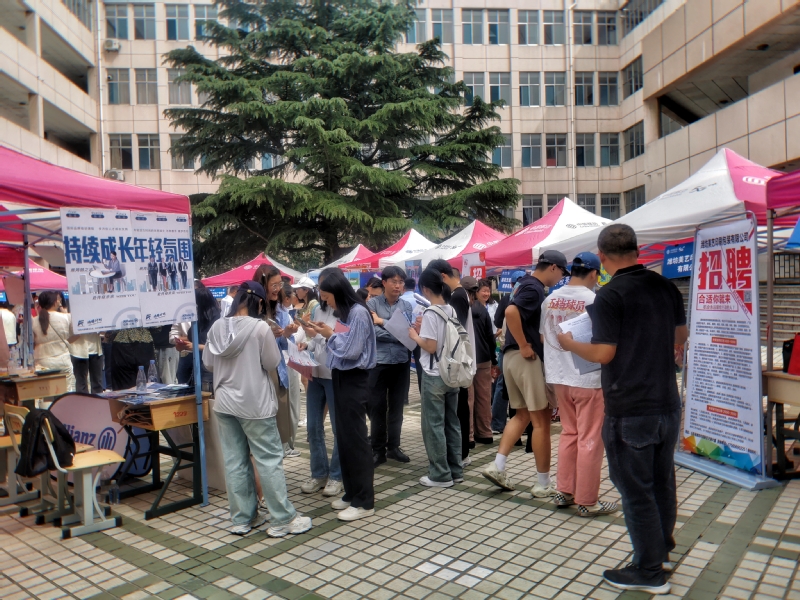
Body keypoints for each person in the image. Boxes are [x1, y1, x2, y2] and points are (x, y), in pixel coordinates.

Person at [557, 225, 687, 595]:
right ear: (637, 249)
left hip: (630, 405)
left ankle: (648, 570)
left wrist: (569, 343)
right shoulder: (665, 286)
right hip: (667, 402)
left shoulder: (610, 295)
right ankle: (660, 550)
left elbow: (603, 353)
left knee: (635, 489)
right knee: (661, 481)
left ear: (602, 257)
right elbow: (680, 336)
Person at [203, 280, 312, 537]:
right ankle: (282, 518)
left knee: (235, 461)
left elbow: (208, 362)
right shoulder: (260, 328)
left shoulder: (217, 326)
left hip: (225, 402)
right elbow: (272, 362)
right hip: (255, 403)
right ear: (259, 302)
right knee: (269, 460)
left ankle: (243, 518)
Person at [482, 250, 568, 497]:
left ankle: (497, 465)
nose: (561, 278)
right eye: (561, 272)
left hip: (510, 358)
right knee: (541, 421)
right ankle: (543, 483)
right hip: (525, 358)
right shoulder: (535, 288)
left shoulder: (522, 284)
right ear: (553, 267)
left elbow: (507, 314)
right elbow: (511, 313)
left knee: (521, 416)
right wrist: (524, 344)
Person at [540, 252, 617, 517]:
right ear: (594, 274)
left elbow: (544, 337)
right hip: (588, 378)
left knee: (569, 433)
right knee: (590, 438)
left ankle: (564, 491)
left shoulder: (550, 300)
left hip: (559, 376)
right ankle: (587, 500)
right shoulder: (596, 300)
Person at [307, 268, 377, 522]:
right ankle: (351, 492)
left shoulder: (358, 312)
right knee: (345, 438)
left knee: (356, 439)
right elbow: (342, 342)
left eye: (327, 297)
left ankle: (364, 501)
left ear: (338, 292)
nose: (327, 302)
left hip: (354, 379)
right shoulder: (345, 313)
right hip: (340, 376)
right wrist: (328, 333)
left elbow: (351, 350)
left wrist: (329, 335)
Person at [409, 267, 463, 488]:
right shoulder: (451, 309)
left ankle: (440, 474)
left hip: (434, 375)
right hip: (452, 373)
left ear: (425, 289)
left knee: (433, 425)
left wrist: (415, 335)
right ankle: (455, 470)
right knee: (452, 423)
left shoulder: (431, 312)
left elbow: (430, 346)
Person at [294, 270, 343, 498]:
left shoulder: (348, 312)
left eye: (325, 288)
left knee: (338, 428)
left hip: (336, 376)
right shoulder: (318, 309)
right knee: (313, 426)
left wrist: (321, 335)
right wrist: (308, 345)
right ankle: (319, 473)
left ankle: (337, 476)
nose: (321, 292)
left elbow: (342, 343)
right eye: (320, 288)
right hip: (316, 372)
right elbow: (315, 340)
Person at [428, 260, 474, 466]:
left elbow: (454, 332)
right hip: (458, 361)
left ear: (443, 277)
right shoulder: (459, 294)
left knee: (458, 410)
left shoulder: (457, 296)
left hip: (456, 363)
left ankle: (460, 455)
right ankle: (460, 454)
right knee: (459, 409)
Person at [367, 266, 413, 466]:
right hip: (379, 363)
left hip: (400, 362)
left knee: (397, 407)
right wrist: (395, 331)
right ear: (384, 282)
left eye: (401, 282)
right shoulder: (372, 304)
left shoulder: (406, 305)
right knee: (377, 407)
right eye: (394, 281)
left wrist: (382, 322)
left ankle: (393, 446)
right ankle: (378, 450)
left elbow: (407, 333)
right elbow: (372, 332)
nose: (398, 285)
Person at [253, 265, 301, 458]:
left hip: (276, 370)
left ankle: (279, 454)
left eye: (279, 284)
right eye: (273, 285)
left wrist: (286, 334)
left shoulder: (280, 310)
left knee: (279, 419)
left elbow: (284, 345)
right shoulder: (251, 310)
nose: (277, 289)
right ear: (262, 284)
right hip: (255, 372)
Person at [491, 270, 526, 434]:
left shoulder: (506, 300)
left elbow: (497, 321)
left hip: (508, 348)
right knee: (517, 386)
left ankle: (498, 424)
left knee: (503, 385)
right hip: (523, 349)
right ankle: (521, 424)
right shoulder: (530, 298)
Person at [463, 277, 495, 446]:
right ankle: (485, 433)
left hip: (467, 359)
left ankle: (469, 436)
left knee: (469, 399)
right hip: (484, 358)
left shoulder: (460, 308)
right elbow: (490, 337)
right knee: (484, 397)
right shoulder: (482, 310)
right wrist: (494, 359)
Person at [173, 286, 220, 389]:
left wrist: (195, 346)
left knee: (206, 394)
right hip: (197, 365)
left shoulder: (216, 320)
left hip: (210, 367)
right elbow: (191, 337)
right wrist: (183, 345)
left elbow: (217, 347)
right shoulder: (200, 318)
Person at [32, 291, 78, 391]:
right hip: (62, 360)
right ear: (54, 302)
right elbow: (76, 335)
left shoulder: (33, 321)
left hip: (41, 362)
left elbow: (32, 343)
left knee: (45, 393)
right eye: (57, 299)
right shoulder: (66, 317)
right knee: (66, 392)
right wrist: (65, 342)